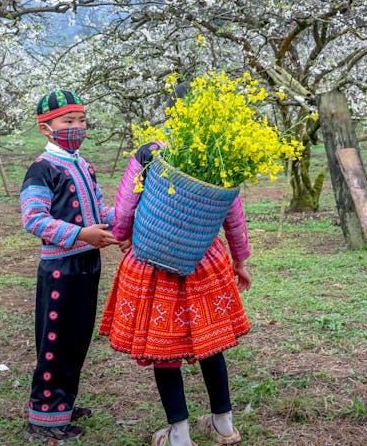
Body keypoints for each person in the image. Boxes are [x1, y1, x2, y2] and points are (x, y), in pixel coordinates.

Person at [99, 137, 252, 446]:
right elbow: (231, 211)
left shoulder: (151, 152)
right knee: (210, 343)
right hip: (203, 262)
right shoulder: (220, 153)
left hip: (156, 263)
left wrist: (122, 235)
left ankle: (180, 436)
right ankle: (224, 426)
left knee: (163, 351)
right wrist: (240, 259)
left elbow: (128, 200)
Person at [20, 89, 119, 443]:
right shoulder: (42, 168)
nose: (77, 127)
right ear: (46, 128)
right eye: (68, 121)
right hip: (61, 267)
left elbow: (100, 211)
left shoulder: (83, 165)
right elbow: (33, 219)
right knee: (56, 340)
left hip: (87, 263)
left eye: (81, 120)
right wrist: (81, 233)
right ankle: (45, 416)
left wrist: (123, 220)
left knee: (76, 338)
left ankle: (63, 403)